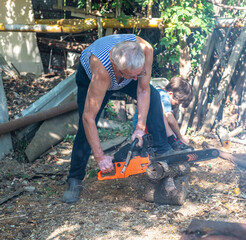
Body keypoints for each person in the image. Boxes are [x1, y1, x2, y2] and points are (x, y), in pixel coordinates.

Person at [63, 34, 173, 203]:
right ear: (117, 68)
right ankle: (75, 178)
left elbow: (143, 91)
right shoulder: (102, 73)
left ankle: (162, 150)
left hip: (126, 69)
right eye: (132, 76)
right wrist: (100, 157)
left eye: (139, 74)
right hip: (91, 77)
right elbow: (88, 118)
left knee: (155, 96)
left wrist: (140, 128)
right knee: (85, 127)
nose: (137, 79)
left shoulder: (146, 50)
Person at [133, 76, 194, 151]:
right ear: (171, 94)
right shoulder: (163, 94)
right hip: (146, 132)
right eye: (177, 103)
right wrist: (180, 138)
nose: (176, 105)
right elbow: (169, 119)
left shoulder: (158, 91)